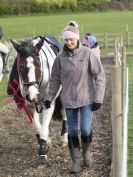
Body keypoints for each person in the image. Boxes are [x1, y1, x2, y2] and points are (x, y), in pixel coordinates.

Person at [43, 23, 106, 173]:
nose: (69, 42)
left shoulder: (87, 53)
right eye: (66, 40)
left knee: (85, 129)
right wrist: (49, 97)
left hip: (87, 99)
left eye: (71, 39)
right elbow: (54, 80)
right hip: (69, 100)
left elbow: (100, 76)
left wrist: (98, 98)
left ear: (77, 39)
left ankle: (86, 153)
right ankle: (76, 161)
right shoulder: (59, 58)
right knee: (72, 131)